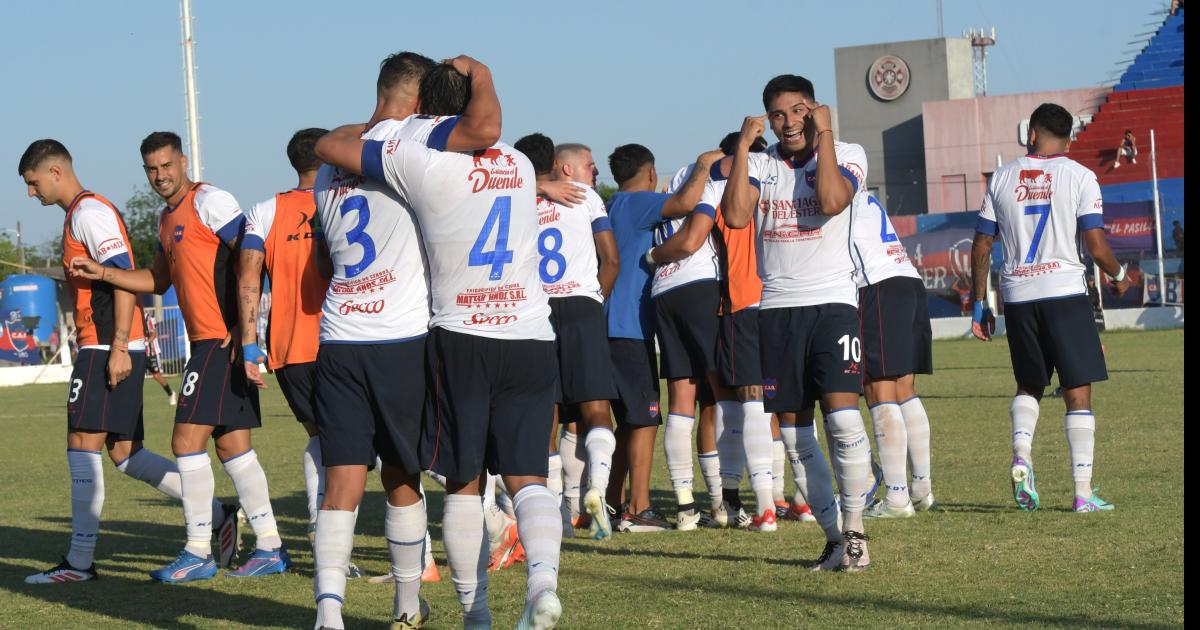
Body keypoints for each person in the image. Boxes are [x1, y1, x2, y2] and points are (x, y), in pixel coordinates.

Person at [316, 60, 564, 630]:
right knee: (528, 477)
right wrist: (482, 74)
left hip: (449, 335)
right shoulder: (523, 165)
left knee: (461, 479)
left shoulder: (408, 161)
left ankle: (472, 615)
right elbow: (485, 137)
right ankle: (543, 582)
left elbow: (331, 146)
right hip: (527, 332)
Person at [70, 131, 283, 582]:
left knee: (186, 443)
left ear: (183, 162)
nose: (160, 176)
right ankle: (270, 546)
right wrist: (104, 272)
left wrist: (242, 326)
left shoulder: (211, 201)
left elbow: (251, 254)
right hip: (208, 343)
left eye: (166, 165)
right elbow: (158, 280)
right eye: (151, 169)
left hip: (217, 342)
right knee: (232, 446)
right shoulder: (167, 221)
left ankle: (199, 550)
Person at [19, 139, 233, 584]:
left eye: (33, 183)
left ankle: (79, 564)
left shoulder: (88, 212)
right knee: (124, 452)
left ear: (55, 172)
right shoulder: (79, 214)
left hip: (105, 347)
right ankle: (217, 513)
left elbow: (123, 280)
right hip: (109, 345)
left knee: (82, 444)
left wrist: (118, 345)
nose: (31, 193)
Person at [721, 74, 875, 571]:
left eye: (799, 110)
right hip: (776, 311)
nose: (790, 122)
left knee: (844, 415)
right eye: (779, 114)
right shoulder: (761, 165)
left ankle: (854, 531)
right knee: (793, 434)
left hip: (832, 303)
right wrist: (744, 150)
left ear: (815, 109)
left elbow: (831, 200)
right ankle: (833, 539)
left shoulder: (847, 152)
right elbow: (737, 217)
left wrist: (825, 135)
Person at [971, 102, 1131, 514]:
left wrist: (978, 304)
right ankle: (1082, 493)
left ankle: (1022, 455)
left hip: (1019, 297)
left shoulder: (1003, 177)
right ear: (1070, 138)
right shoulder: (1080, 176)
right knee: (1078, 393)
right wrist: (1119, 275)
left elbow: (982, 244)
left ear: (1031, 135)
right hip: (1064, 293)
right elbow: (1095, 247)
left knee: (1029, 386)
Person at [603, 143, 719, 533]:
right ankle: (640, 509)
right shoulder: (640, 202)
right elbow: (686, 203)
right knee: (645, 420)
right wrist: (704, 165)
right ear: (650, 174)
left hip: (610, 326)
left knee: (627, 423)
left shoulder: (614, 204)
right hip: (629, 327)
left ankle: (612, 503)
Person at [527, 137, 621, 541]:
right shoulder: (585, 197)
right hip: (581, 305)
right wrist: (594, 299)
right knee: (596, 410)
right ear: (564, 167)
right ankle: (596, 489)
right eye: (589, 163)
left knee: (545, 415)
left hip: (537, 311)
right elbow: (611, 258)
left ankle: (557, 518)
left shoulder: (519, 197)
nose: (594, 170)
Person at [852, 194, 937, 518]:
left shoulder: (832, 191)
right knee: (904, 389)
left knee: (878, 388)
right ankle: (921, 489)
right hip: (907, 278)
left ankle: (898, 498)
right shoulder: (864, 194)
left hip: (877, 285)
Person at [144, 311, 177, 405]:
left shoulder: (147, 317)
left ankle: (171, 393)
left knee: (156, 375)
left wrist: (146, 343)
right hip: (139, 352)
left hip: (152, 352)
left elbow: (154, 334)